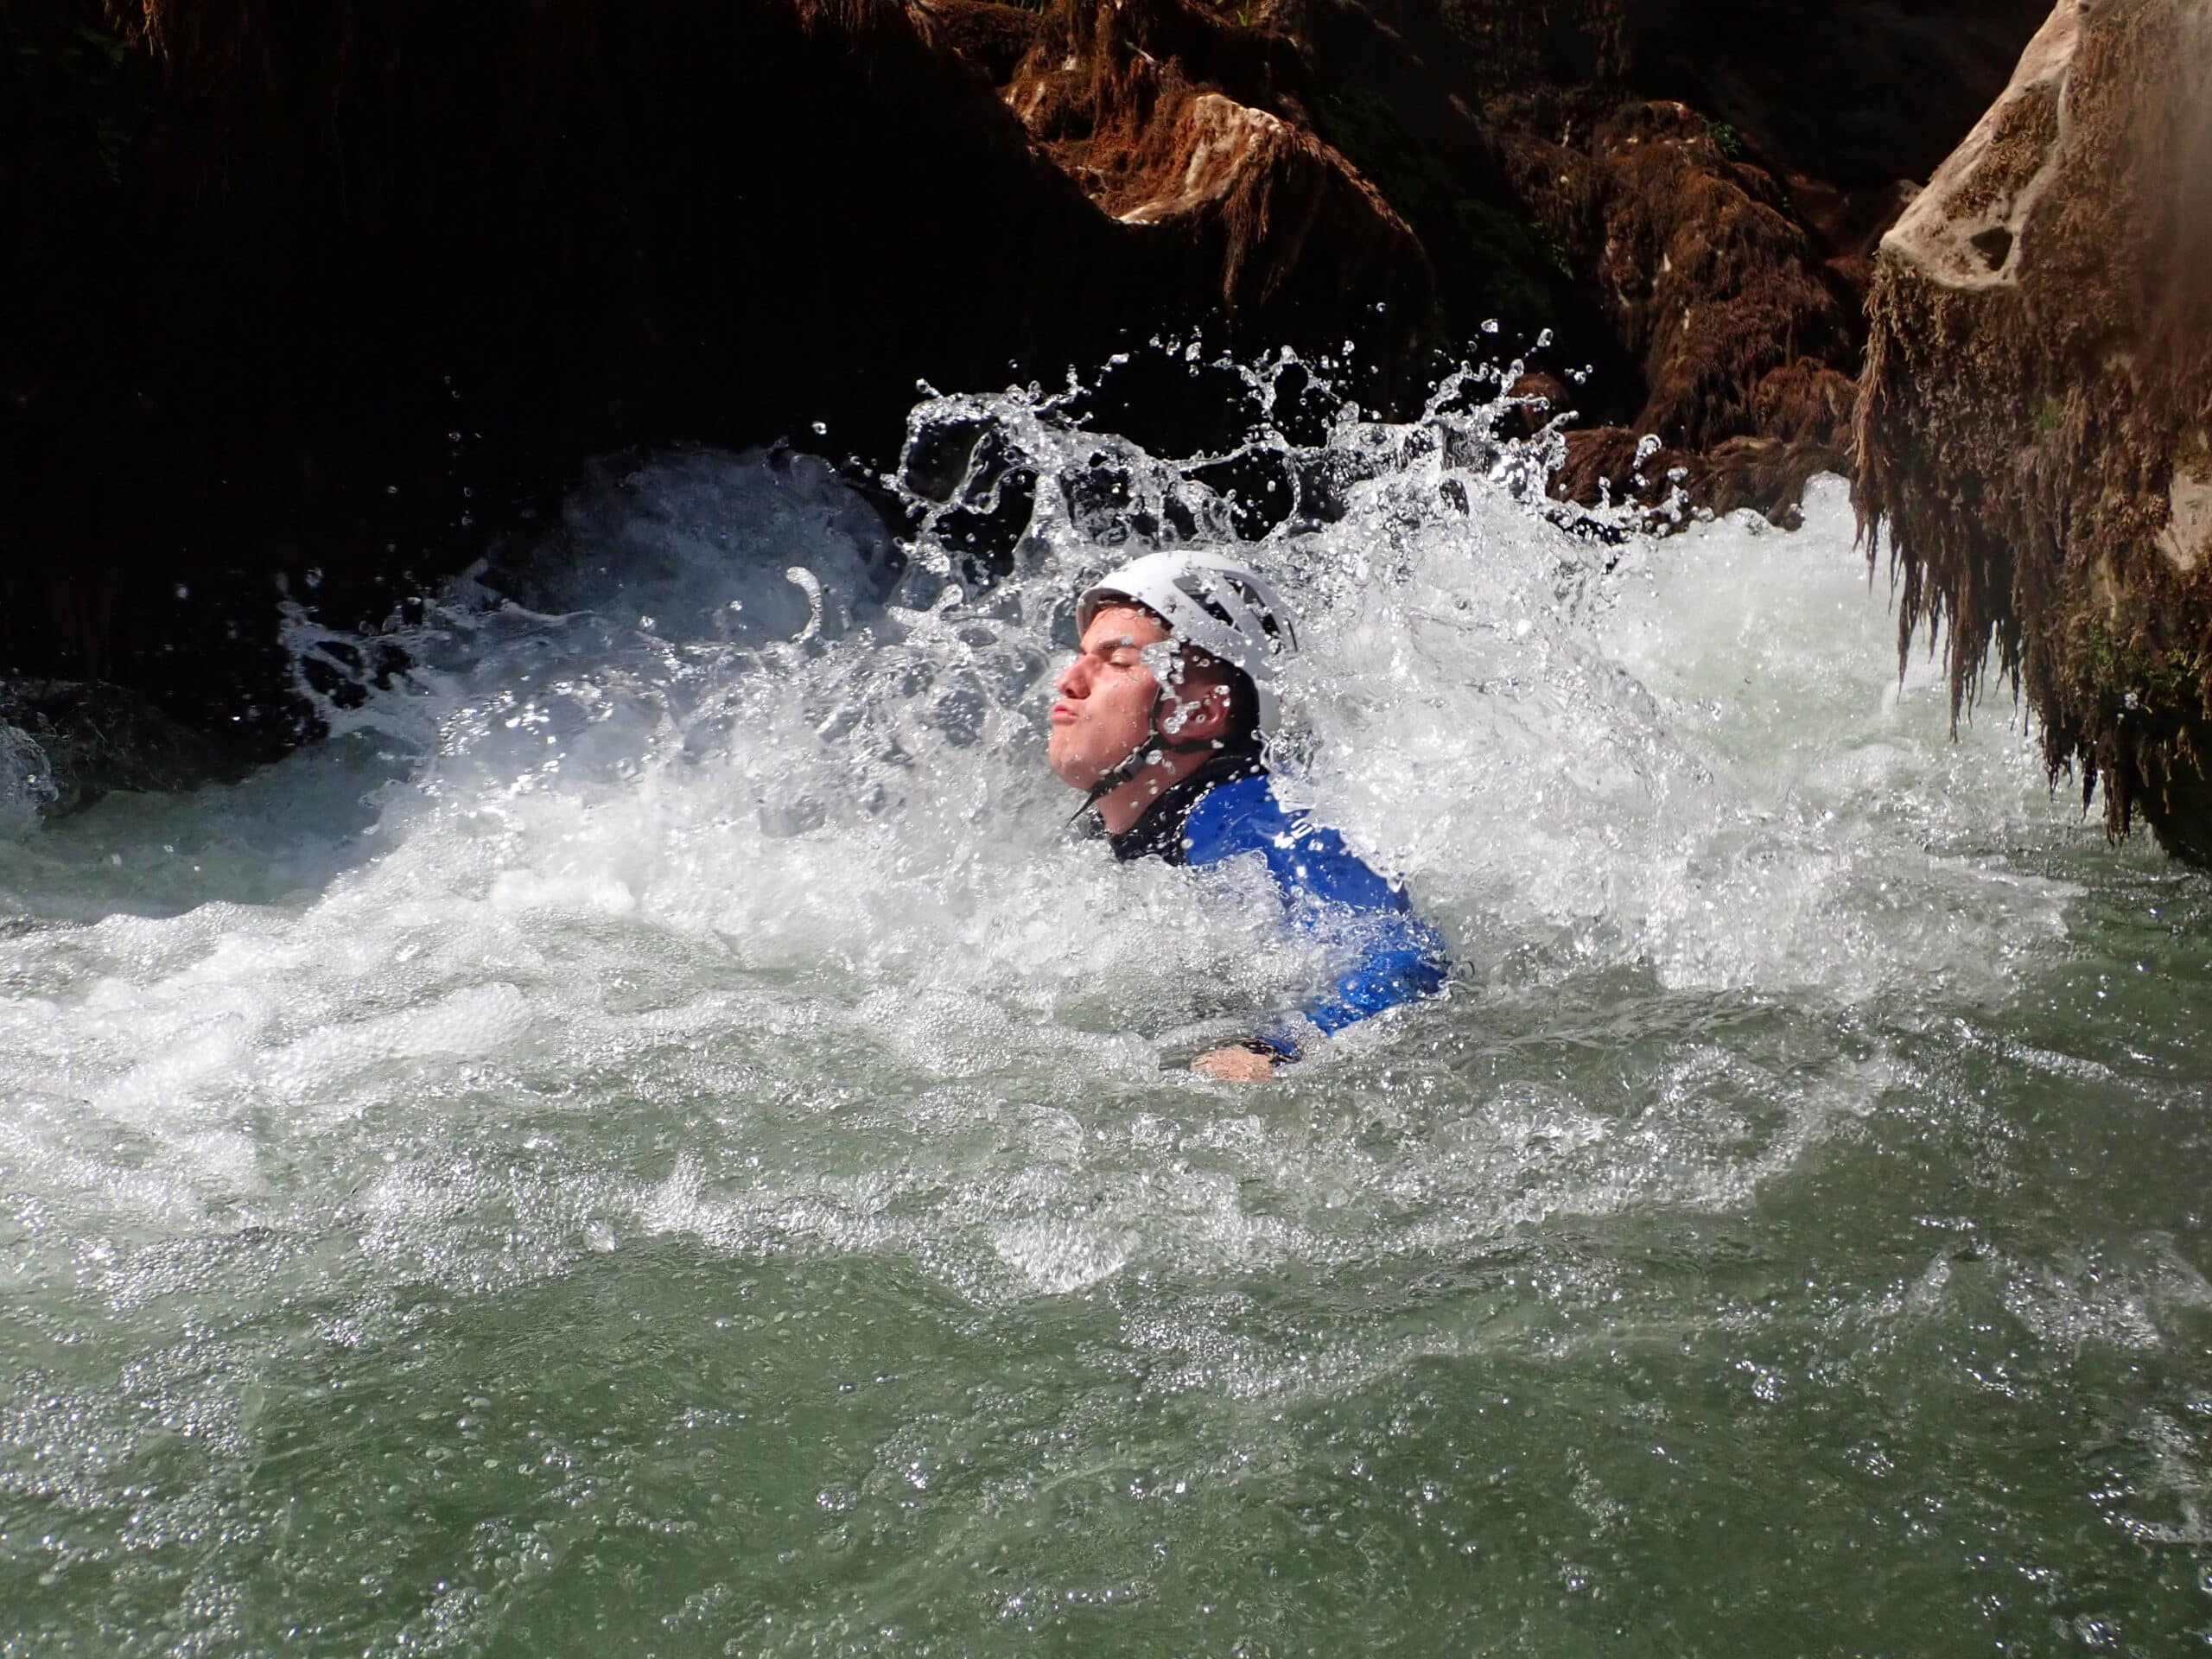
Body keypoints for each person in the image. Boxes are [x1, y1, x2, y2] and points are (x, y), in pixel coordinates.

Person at [1046, 550, 1449, 1081]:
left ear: (1201, 711)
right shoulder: (1100, 837)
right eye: (1081, 656)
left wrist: (1277, 1048)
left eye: (1118, 661)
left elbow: (1408, 958)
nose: (1069, 681)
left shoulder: (1253, 820)